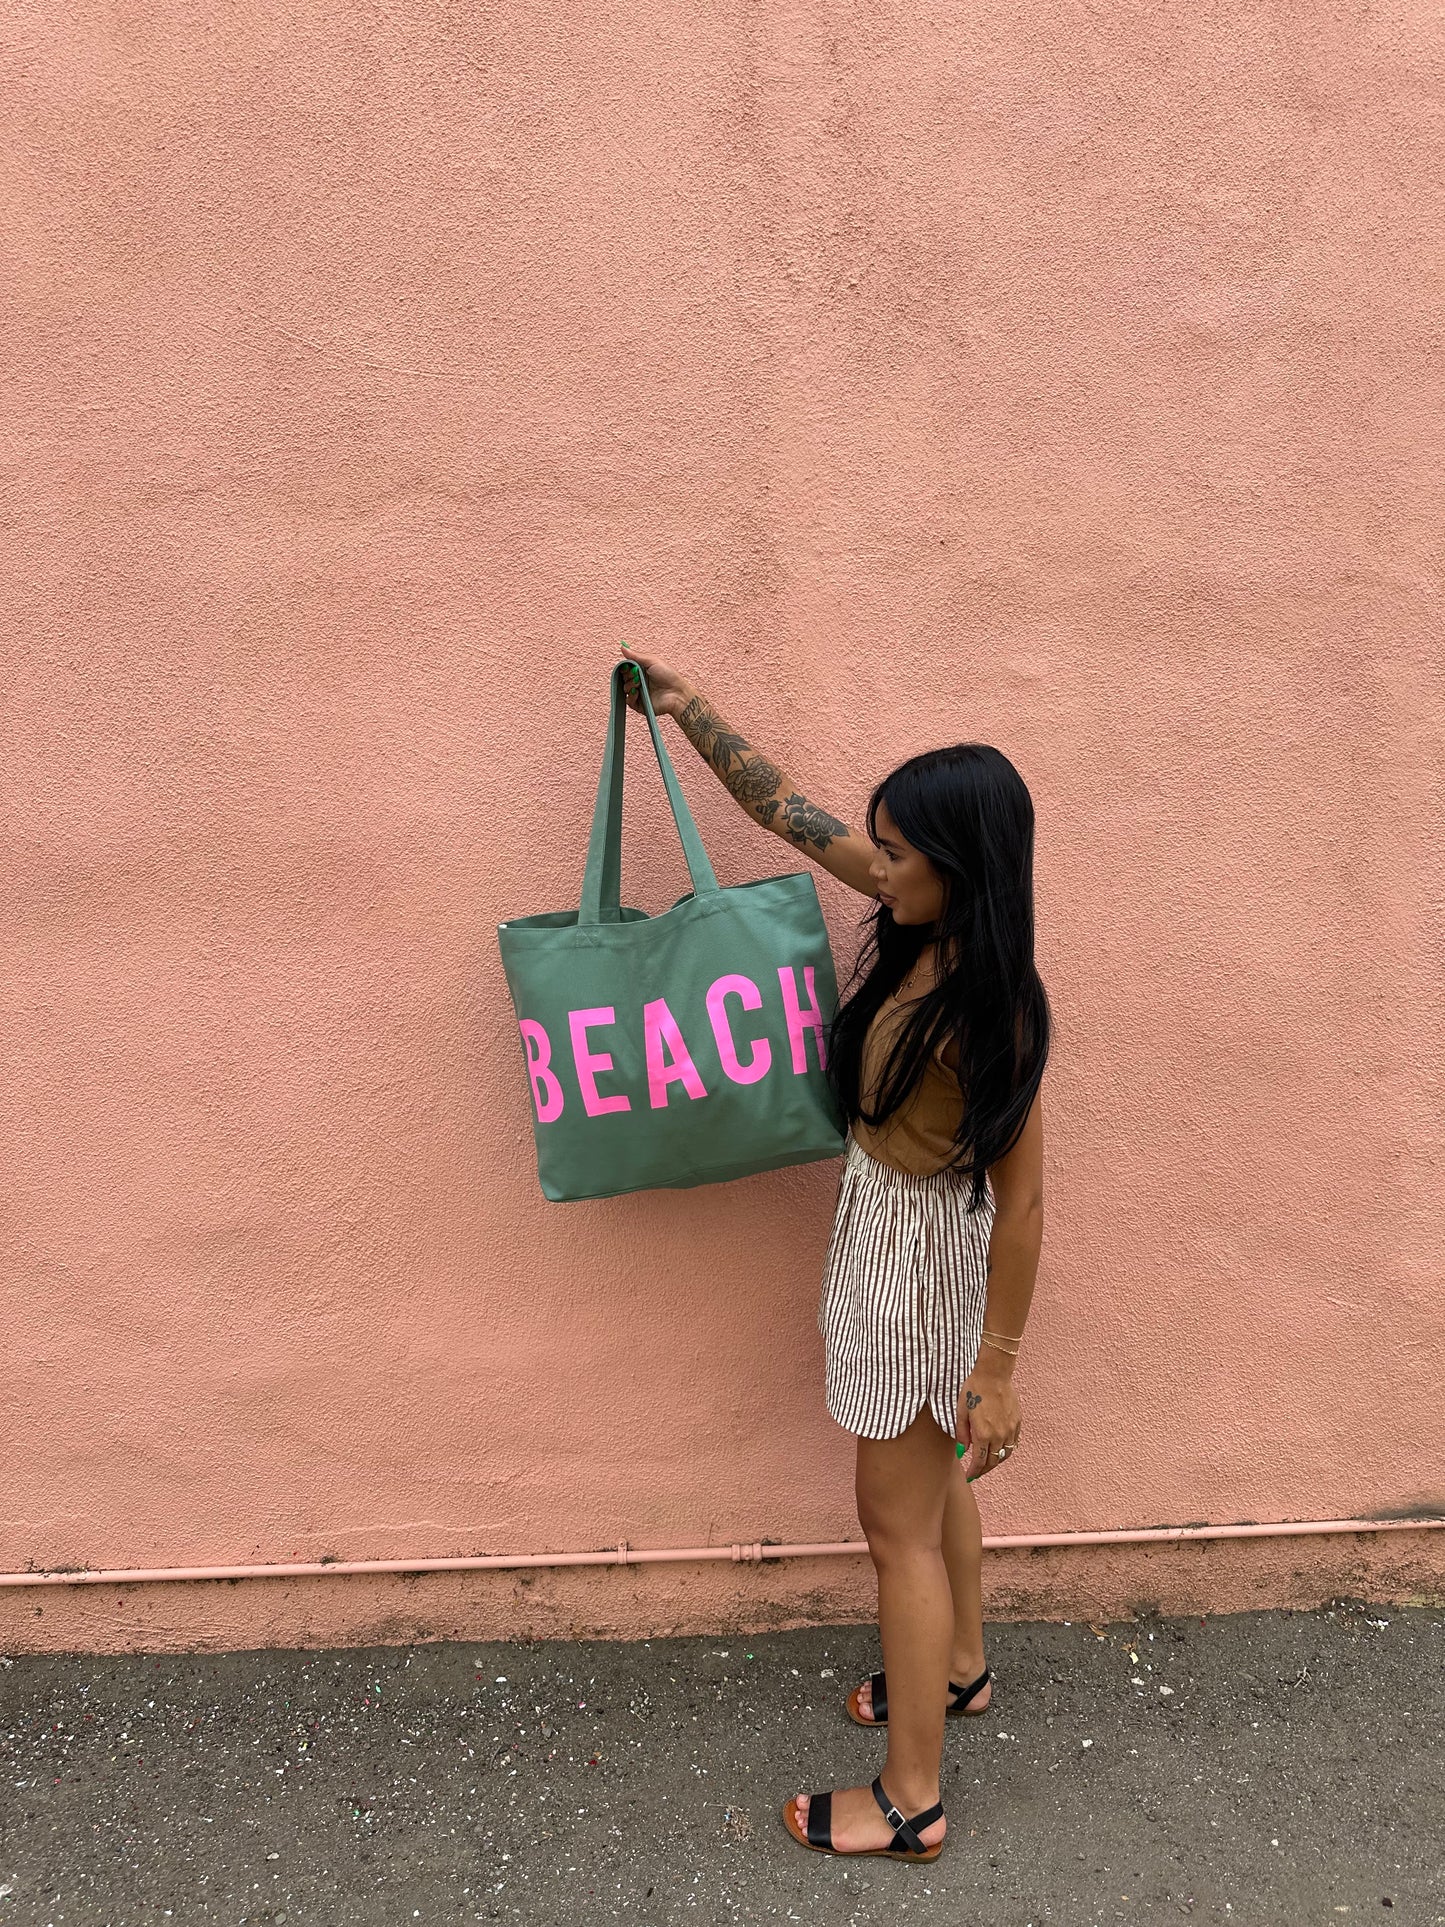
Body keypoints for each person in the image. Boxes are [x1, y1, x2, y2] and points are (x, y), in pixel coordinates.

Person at [619, 644, 1049, 1867]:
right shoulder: (922, 918)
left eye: (897, 851)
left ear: (956, 869)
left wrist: (998, 1365)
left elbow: (1020, 1207)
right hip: (887, 1231)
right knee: (930, 1487)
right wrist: (692, 711)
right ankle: (959, 1669)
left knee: (894, 1525)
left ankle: (909, 1797)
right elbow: (786, 811)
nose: (873, 863)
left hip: (916, 1259)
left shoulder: (991, 1004)